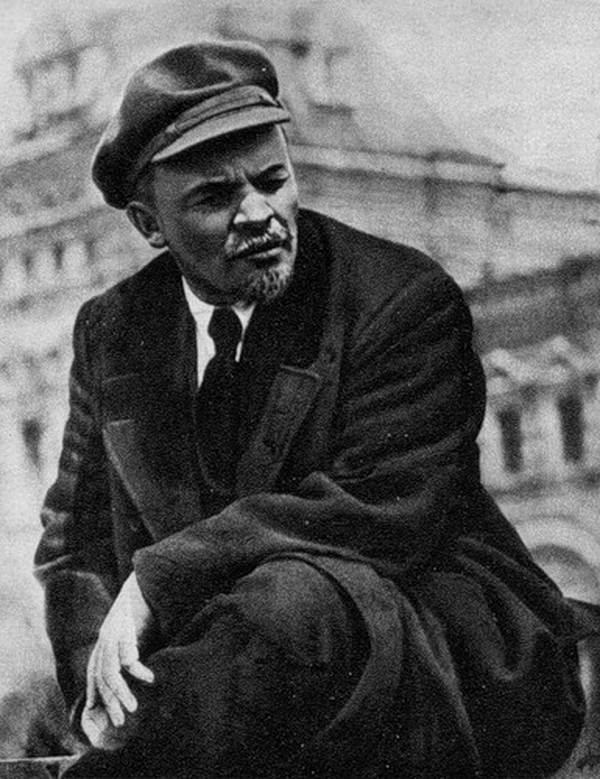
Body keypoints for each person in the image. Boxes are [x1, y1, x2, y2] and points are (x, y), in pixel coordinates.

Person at [34, 39, 586, 778]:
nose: (258, 214)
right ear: (148, 223)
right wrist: (98, 689)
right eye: (214, 198)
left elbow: (380, 506)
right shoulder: (113, 330)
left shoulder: (401, 297)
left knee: (289, 600)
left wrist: (158, 580)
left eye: (273, 180)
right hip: (228, 675)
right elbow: (74, 542)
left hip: (435, 654)